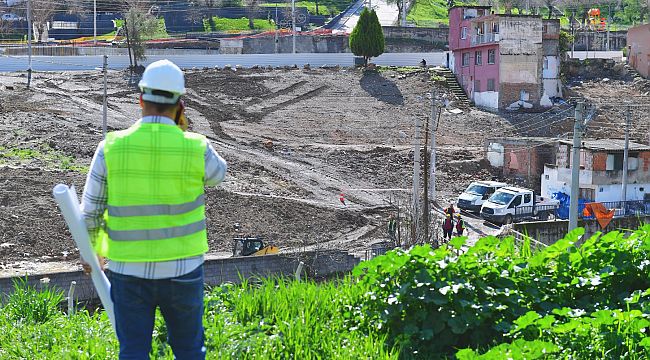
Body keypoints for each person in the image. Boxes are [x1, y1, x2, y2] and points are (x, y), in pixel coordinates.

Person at [80, 59, 227, 360]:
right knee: (189, 350)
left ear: (140, 100)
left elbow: (91, 211)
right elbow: (217, 174)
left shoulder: (110, 147)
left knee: (133, 351)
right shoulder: (196, 147)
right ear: (180, 106)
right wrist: (183, 131)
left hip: (127, 272)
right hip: (183, 269)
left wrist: (90, 251)